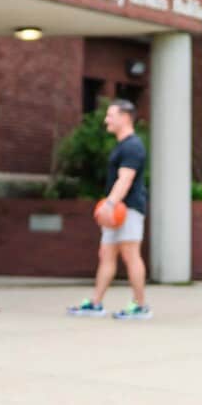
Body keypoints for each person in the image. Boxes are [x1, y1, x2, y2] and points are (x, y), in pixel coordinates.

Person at [69, 99, 152, 320]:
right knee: (106, 254)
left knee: (131, 255)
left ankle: (141, 306)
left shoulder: (133, 146)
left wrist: (109, 203)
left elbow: (125, 179)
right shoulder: (122, 145)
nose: (106, 120)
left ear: (125, 118)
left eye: (110, 115)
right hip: (116, 210)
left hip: (128, 208)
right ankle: (95, 303)